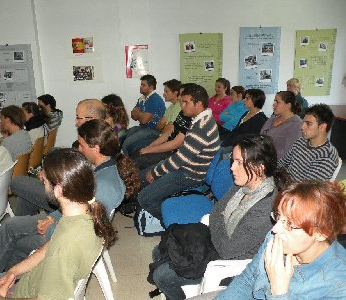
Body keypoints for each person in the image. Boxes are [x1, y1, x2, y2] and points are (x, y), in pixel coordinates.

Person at [0, 119, 139, 282]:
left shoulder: (103, 184)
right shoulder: (105, 169)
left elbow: (83, 227)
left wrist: (52, 225)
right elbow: (80, 206)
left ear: (95, 147)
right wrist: (52, 217)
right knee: (11, 223)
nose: (78, 149)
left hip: (63, 237)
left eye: (81, 145)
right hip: (65, 223)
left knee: (13, 236)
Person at [0, 148, 116, 300]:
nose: (42, 183)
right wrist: (12, 272)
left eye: (44, 181)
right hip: (31, 278)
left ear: (58, 190)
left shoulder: (66, 245)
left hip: (26, 293)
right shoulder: (83, 214)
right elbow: (48, 248)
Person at [151, 134, 289, 299]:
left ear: (259, 167)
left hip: (233, 267)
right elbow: (217, 212)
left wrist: (219, 221)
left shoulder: (266, 207)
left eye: (239, 162)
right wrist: (220, 221)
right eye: (233, 160)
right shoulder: (244, 185)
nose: (232, 168)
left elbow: (227, 249)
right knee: (159, 251)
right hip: (217, 245)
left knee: (162, 276)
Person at [217, 180, 346, 299]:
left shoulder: (338, 285)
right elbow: (247, 280)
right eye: (278, 217)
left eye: (289, 224)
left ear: (322, 233)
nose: (275, 229)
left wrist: (279, 292)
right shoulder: (276, 239)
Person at [10, 99, 109, 215]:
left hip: (69, 197)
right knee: (26, 197)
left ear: (90, 119)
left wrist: (49, 175)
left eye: (78, 117)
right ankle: (24, 227)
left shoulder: (93, 146)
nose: (75, 122)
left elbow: (75, 174)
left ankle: (43, 221)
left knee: (17, 182)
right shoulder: (103, 136)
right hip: (69, 186)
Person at [138, 84, 220, 220]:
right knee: (141, 177)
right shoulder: (200, 120)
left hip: (190, 175)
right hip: (185, 167)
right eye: (182, 102)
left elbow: (180, 159)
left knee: (144, 198)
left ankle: (174, 223)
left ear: (198, 104)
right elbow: (181, 157)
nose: (182, 106)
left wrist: (155, 172)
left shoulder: (201, 127)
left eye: (186, 103)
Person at [132, 83, 193, 170]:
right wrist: (150, 147)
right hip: (167, 144)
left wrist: (150, 149)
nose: (179, 98)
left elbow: (174, 143)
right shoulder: (182, 113)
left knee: (139, 160)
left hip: (177, 158)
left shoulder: (191, 116)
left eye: (182, 96)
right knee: (136, 151)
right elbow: (166, 131)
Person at [278, 104, 339, 181]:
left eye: (308, 123)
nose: (302, 127)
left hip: (295, 191)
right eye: (303, 122)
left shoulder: (327, 156)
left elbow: (308, 189)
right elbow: (282, 163)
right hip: (285, 184)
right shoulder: (301, 141)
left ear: (322, 127)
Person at [121, 74, 166, 155]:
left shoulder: (154, 99)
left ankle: (126, 164)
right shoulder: (142, 98)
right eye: (141, 84)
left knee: (126, 144)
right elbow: (133, 116)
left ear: (151, 87)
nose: (140, 87)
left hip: (153, 130)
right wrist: (141, 115)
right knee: (123, 135)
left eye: (143, 85)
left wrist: (139, 114)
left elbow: (144, 120)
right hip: (143, 127)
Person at [260, 91, 302, 159]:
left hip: (276, 163)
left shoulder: (296, 124)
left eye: (277, 102)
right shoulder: (273, 118)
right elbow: (261, 135)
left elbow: (289, 153)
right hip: (262, 157)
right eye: (274, 101)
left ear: (288, 105)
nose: (273, 105)